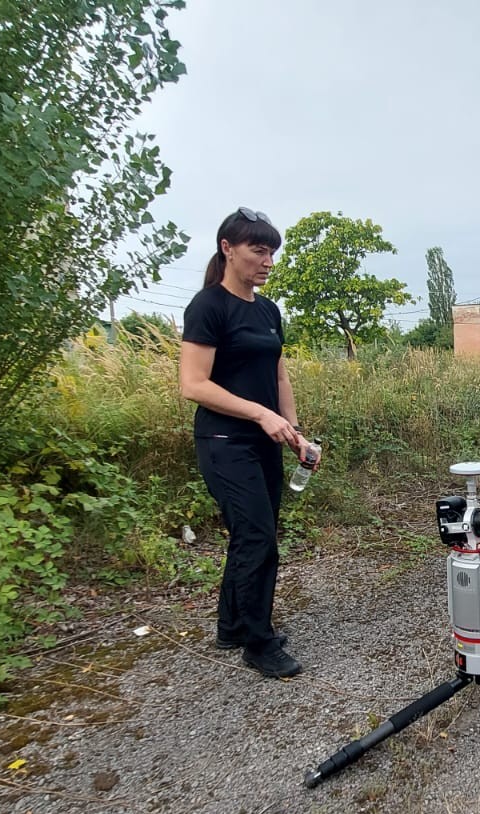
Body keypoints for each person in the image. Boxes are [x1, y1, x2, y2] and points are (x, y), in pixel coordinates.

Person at [179, 207, 312, 678]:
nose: (268, 260)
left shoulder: (268, 310)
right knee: (258, 538)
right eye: (258, 249)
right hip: (223, 441)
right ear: (227, 249)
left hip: (265, 443)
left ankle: (232, 625)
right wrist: (260, 414)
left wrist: (293, 431)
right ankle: (259, 642)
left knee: (252, 534)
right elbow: (193, 384)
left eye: (272, 251)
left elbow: (277, 372)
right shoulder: (208, 306)